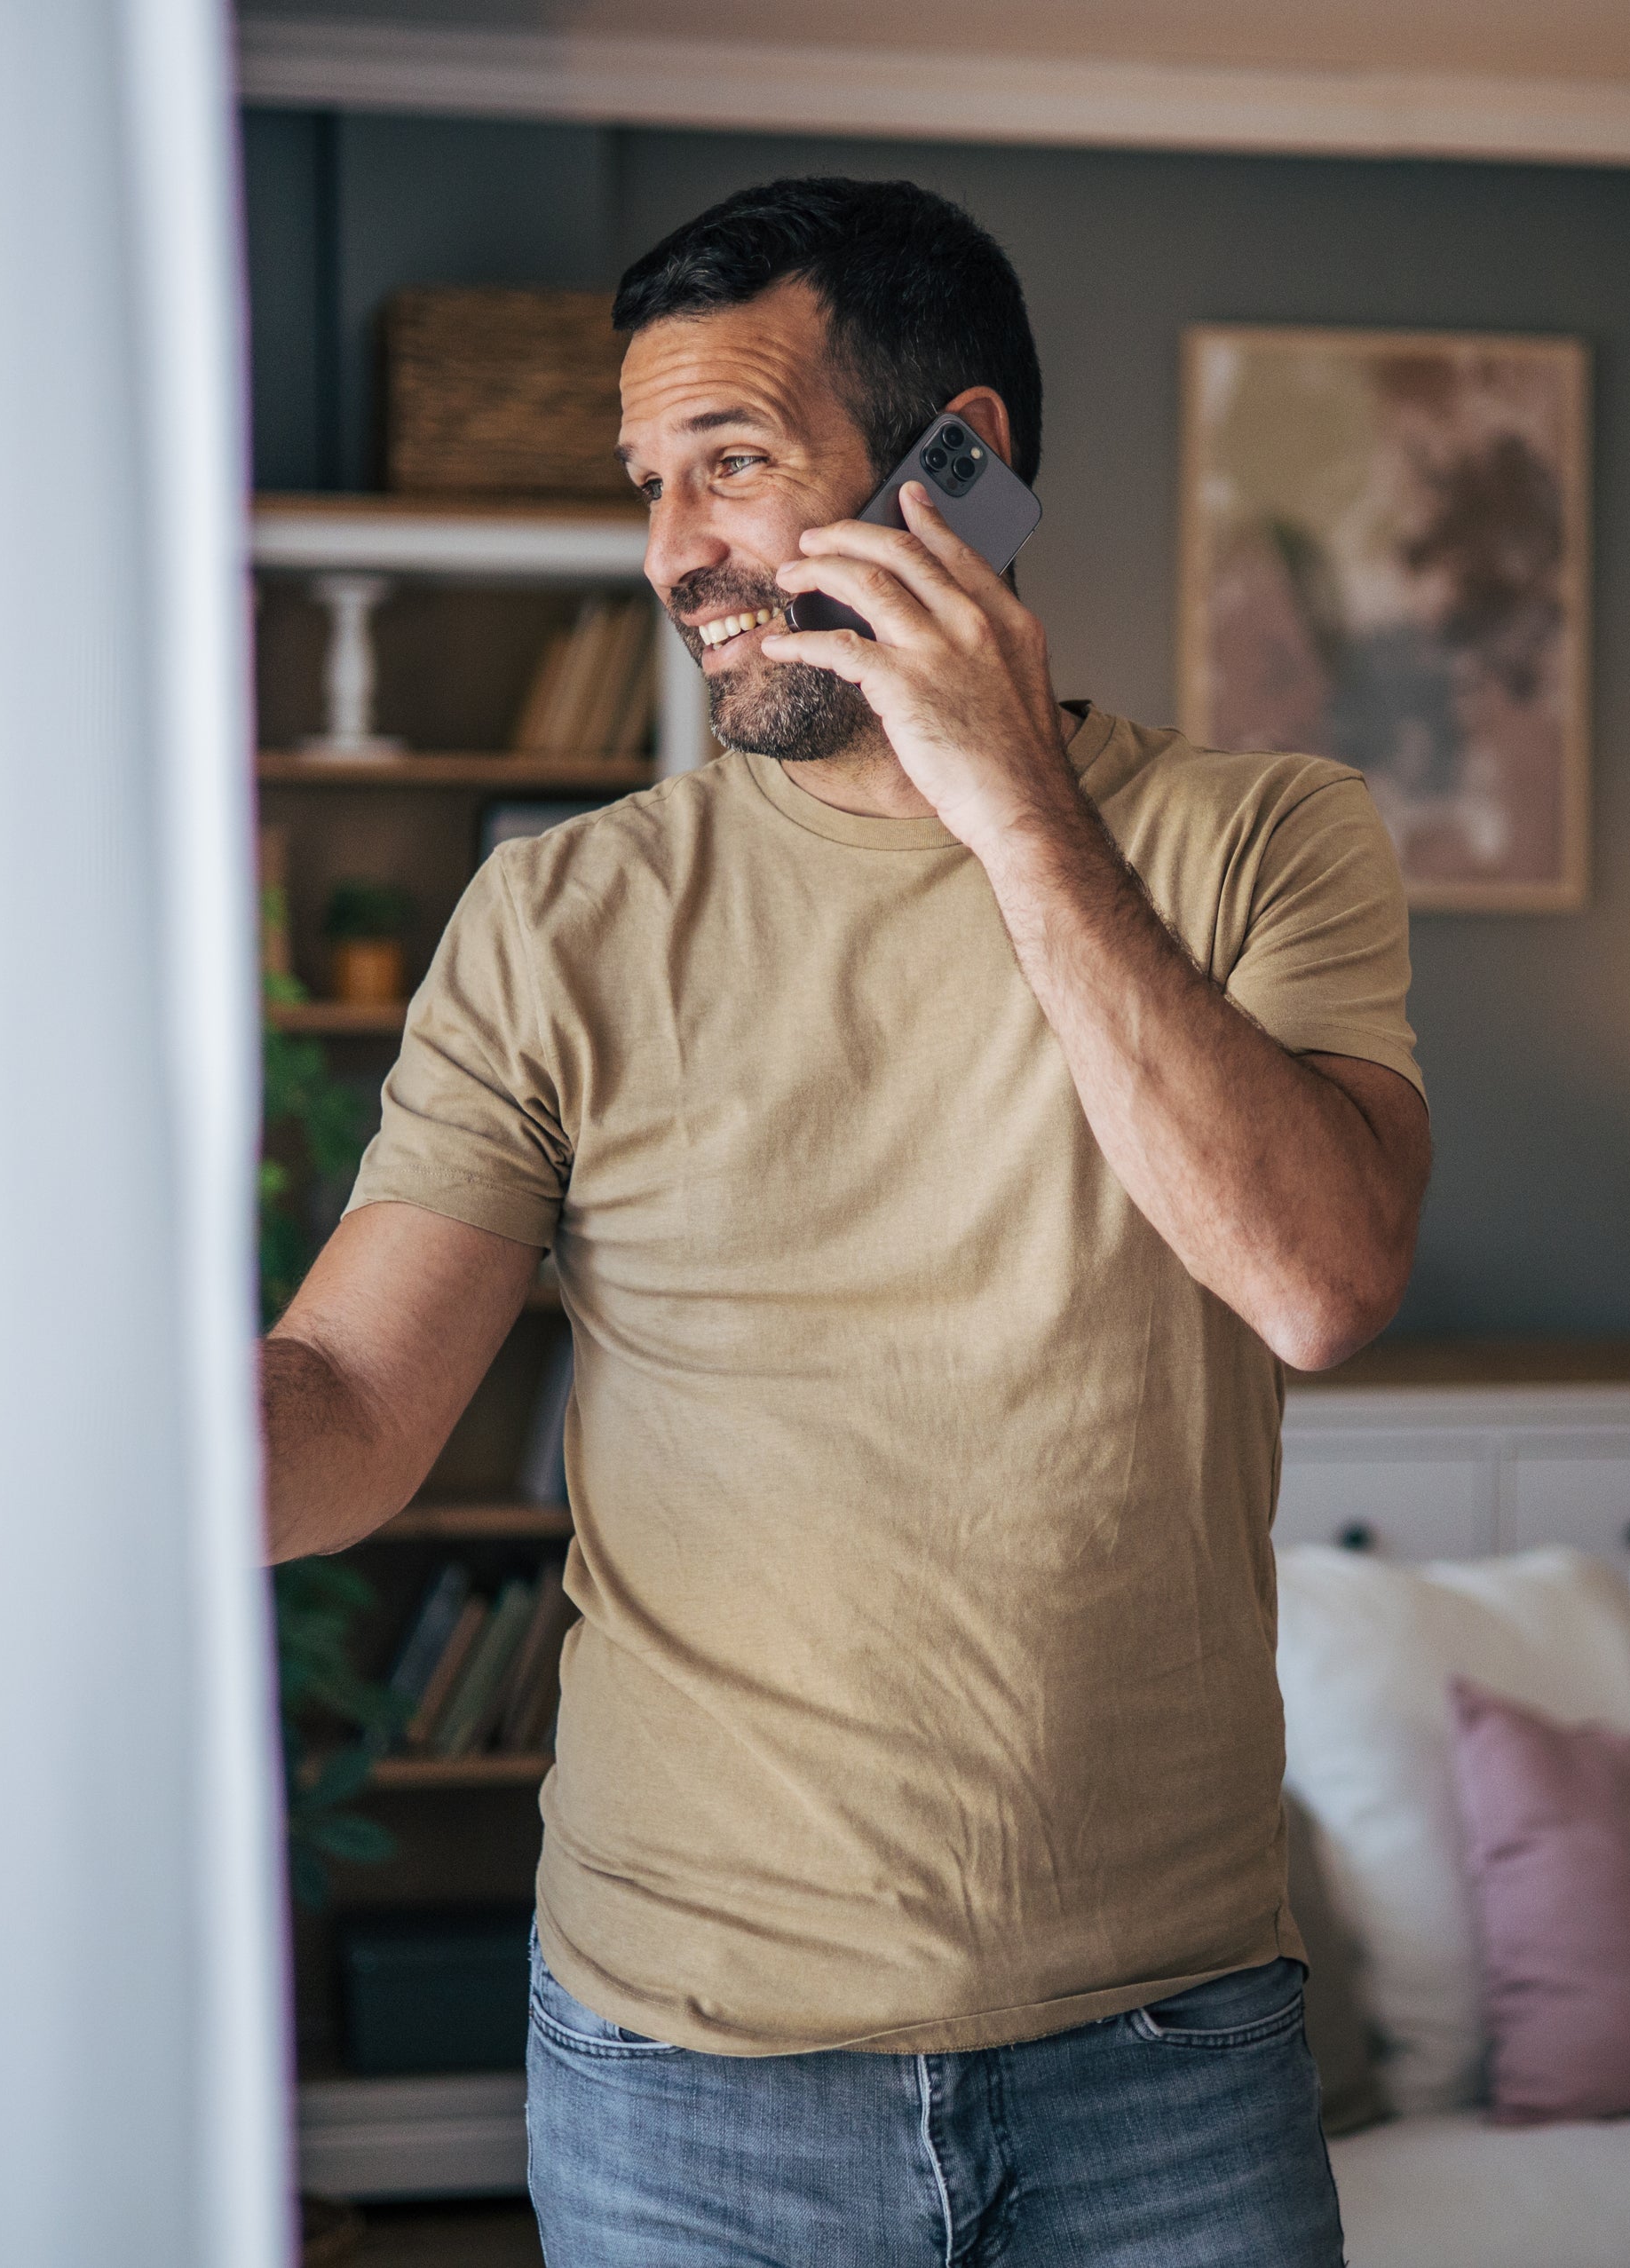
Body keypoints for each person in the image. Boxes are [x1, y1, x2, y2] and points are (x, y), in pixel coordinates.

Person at [258, 176, 1428, 2266]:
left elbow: (1317, 1283)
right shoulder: (564, 913)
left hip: (1162, 2059)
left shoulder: (1258, 839)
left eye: (728, 465)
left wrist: (1007, 807)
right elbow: (346, 1403)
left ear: (948, 466)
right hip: (686, 2071)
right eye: (646, 484)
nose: (669, 555)